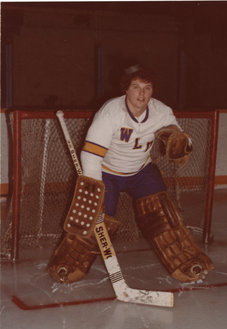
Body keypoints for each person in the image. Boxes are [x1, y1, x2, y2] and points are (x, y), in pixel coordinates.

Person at [48, 65, 214, 284]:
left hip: (141, 171)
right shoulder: (110, 113)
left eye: (147, 88)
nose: (142, 94)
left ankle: (184, 262)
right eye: (135, 87)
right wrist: (94, 193)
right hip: (108, 173)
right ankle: (68, 264)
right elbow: (91, 156)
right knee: (93, 219)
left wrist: (180, 142)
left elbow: (176, 135)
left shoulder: (161, 111)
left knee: (162, 216)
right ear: (125, 89)